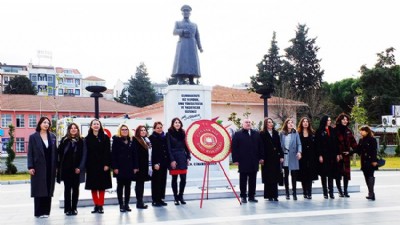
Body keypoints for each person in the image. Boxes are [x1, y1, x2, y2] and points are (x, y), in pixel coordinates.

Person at [27, 117, 57, 218]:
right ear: (40, 124)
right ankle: (38, 212)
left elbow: (55, 152)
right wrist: (30, 166)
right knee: (39, 189)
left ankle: (46, 212)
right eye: (44, 122)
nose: (46, 124)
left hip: (50, 167)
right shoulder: (33, 137)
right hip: (38, 167)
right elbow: (30, 152)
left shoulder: (53, 136)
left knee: (48, 189)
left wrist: (56, 166)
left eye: (48, 123)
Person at [57, 122, 87, 216]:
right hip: (66, 169)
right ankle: (67, 209)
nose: (73, 129)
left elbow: (84, 155)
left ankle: (74, 208)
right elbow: (59, 154)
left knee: (75, 189)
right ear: (69, 130)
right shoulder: (64, 140)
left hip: (77, 169)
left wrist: (80, 167)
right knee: (67, 189)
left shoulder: (82, 141)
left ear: (78, 130)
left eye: (75, 128)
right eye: (71, 128)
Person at [232, 118, 264, 203]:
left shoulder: (256, 134)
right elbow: (234, 148)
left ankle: (251, 196)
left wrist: (261, 158)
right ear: (243, 124)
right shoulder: (238, 134)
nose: (248, 123)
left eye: (249, 122)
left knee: (253, 180)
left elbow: (260, 147)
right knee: (243, 180)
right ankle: (243, 196)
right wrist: (235, 159)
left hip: (254, 161)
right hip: (243, 161)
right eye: (246, 122)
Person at [84, 119, 112, 214]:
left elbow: (108, 152)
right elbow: (86, 153)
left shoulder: (105, 138)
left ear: (100, 126)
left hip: (103, 166)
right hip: (91, 166)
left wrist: (107, 164)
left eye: (97, 124)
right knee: (93, 187)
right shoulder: (86, 139)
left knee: (102, 187)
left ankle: (101, 205)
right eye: (94, 124)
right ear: (91, 126)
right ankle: (96, 205)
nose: (96, 125)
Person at [171, 5, 203, 85]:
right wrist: (182, 31)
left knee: (192, 62)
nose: (186, 12)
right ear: (182, 13)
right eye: (184, 11)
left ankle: (191, 79)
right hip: (183, 44)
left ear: (190, 13)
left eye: (187, 11)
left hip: (192, 44)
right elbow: (174, 32)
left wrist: (200, 47)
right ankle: (180, 79)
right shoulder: (178, 23)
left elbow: (197, 36)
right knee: (181, 61)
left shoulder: (194, 24)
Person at [166, 118, 191, 205]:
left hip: (182, 157)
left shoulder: (183, 133)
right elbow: (168, 148)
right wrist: (172, 160)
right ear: (172, 124)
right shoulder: (169, 134)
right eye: (175, 122)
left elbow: (187, 146)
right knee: (174, 179)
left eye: (179, 122)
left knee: (183, 179)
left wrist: (188, 157)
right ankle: (175, 198)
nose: (177, 124)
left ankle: (181, 196)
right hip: (174, 157)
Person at [112, 124, 135, 212]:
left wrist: (135, 166)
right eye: (123, 129)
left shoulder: (131, 140)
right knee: (120, 186)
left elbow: (134, 154)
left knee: (128, 186)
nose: (124, 131)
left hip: (129, 167)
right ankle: (121, 205)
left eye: (126, 129)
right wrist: (115, 167)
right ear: (120, 131)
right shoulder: (116, 140)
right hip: (119, 167)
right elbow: (113, 155)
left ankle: (127, 204)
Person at [315, 115, 339, 199]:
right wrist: (320, 155)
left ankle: (331, 192)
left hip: (332, 156)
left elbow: (336, 143)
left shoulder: (332, 130)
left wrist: (337, 154)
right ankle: (325, 192)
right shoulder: (319, 131)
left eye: (330, 120)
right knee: (324, 174)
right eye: (328, 120)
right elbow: (318, 144)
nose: (329, 121)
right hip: (324, 156)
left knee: (331, 175)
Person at [260, 118, 284, 201]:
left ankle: (275, 195)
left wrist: (281, 156)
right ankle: (269, 195)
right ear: (266, 124)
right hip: (266, 158)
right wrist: (261, 158)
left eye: (271, 122)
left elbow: (279, 145)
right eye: (269, 122)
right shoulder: (262, 133)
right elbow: (261, 147)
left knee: (275, 176)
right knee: (268, 177)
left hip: (275, 158)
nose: (271, 124)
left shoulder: (276, 133)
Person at [334, 113, 358, 198]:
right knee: (338, 174)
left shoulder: (348, 131)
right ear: (340, 120)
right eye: (343, 119)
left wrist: (351, 152)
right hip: (338, 156)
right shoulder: (335, 130)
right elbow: (333, 144)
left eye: (346, 120)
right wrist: (337, 154)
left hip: (346, 155)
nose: (345, 121)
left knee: (346, 174)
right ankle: (340, 191)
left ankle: (345, 191)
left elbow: (354, 144)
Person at [353, 125, 378, 200]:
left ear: (367, 131)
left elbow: (374, 151)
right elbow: (358, 149)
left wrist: (374, 160)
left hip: (370, 161)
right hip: (363, 161)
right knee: (366, 176)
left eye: (362, 130)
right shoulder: (361, 140)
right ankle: (371, 193)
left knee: (370, 175)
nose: (360, 132)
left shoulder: (372, 140)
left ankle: (371, 193)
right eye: (360, 130)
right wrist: (349, 152)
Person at [279, 118, 302, 200]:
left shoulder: (295, 133)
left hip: (293, 156)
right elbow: (280, 145)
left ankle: (294, 193)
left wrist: (299, 152)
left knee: (294, 175)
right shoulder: (282, 133)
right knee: (286, 175)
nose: (291, 124)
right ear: (286, 124)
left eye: (292, 123)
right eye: (289, 123)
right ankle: (287, 193)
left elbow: (299, 143)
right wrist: (280, 156)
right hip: (285, 156)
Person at [297, 117, 318, 199]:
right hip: (302, 157)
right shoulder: (298, 134)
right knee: (303, 175)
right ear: (301, 123)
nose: (305, 123)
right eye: (304, 121)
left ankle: (309, 192)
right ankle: (304, 192)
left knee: (309, 175)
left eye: (307, 121)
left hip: (311, 157)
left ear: (309, 123)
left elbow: (315, 145)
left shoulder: (312, 133)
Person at [149, 122, 170, 207]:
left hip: (164, 163)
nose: (159, 129)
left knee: (162, 181)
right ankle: (155, 200)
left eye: (161, 127)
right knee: (156, 182)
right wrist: (154, 163)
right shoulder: (151, 138)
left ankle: (161, 199)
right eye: (157, 128)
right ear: (154, 129)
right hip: (156, 164)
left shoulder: (164, 137)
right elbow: (151, 152)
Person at [132, 125, 152, 209]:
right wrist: (136, 166)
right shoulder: (135, 140)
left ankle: (140, 201)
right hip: (139, 166)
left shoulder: (146, 140)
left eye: (144, 130)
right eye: (141, 130)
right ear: (138, 132)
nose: (143, 131)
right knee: (139, 184)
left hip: (145, 165)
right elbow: (135, 154)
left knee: (141, 183)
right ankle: (139, 202)